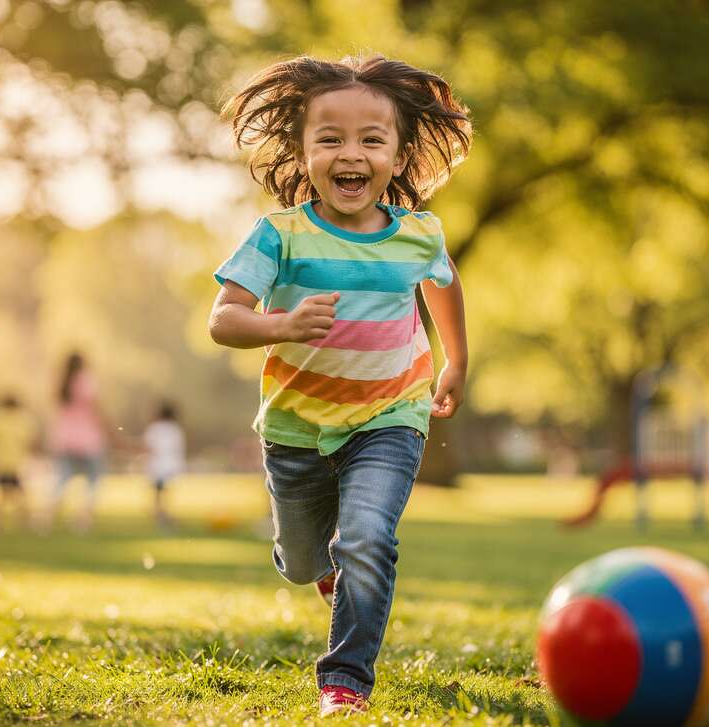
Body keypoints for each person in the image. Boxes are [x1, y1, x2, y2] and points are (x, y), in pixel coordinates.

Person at [208, 55, 471, 716]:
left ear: (401, 154)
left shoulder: (418, 235)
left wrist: (455, 359)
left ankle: (346, 678)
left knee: (367, 538)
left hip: (391, 414)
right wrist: (283, 324)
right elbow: (224, 319)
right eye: (330, 138)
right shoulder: (279, 236)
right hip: (297, 426)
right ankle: (323, 569)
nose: (350, 154)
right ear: (301, 149)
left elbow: (443, 283)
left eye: (371, 140)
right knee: (302, 562)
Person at [47, 352, 107, 532]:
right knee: (93, 479)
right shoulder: (85, 380)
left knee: (62, 480)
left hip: (65, 438)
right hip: (87, 438)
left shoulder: (61, 383)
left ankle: (47, 518)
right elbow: (96, 407)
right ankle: (83, 520)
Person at [0, 394, 38, 528]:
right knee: (21, 494)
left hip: (0, 462)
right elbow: (31, 439)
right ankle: (24, 521)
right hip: (16, 463)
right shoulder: (22, 420)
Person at [142, 401, 185, 528]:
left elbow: (149, 447)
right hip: (172, 466)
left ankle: (162, 518)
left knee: (158, 494)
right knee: (165, 493)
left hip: (158, 466)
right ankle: (165, 515)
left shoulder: (154, 428)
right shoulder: (176, 430)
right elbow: (178, 449)